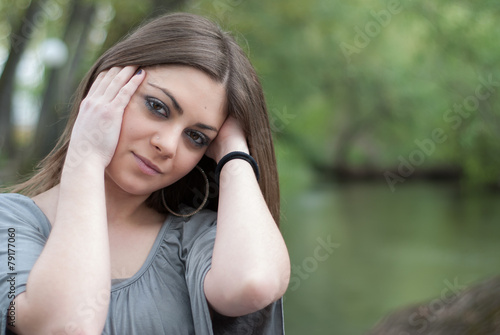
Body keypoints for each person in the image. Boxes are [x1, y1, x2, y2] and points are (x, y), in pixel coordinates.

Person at [0, 12, 290, 334]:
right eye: (157, 107)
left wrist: (234, 151)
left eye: (196, 137)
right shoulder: (9, 225)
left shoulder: (195, 239)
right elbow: (66, 326)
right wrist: (87, 157)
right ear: (107, 89)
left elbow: (255, 283)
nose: (167, 145)